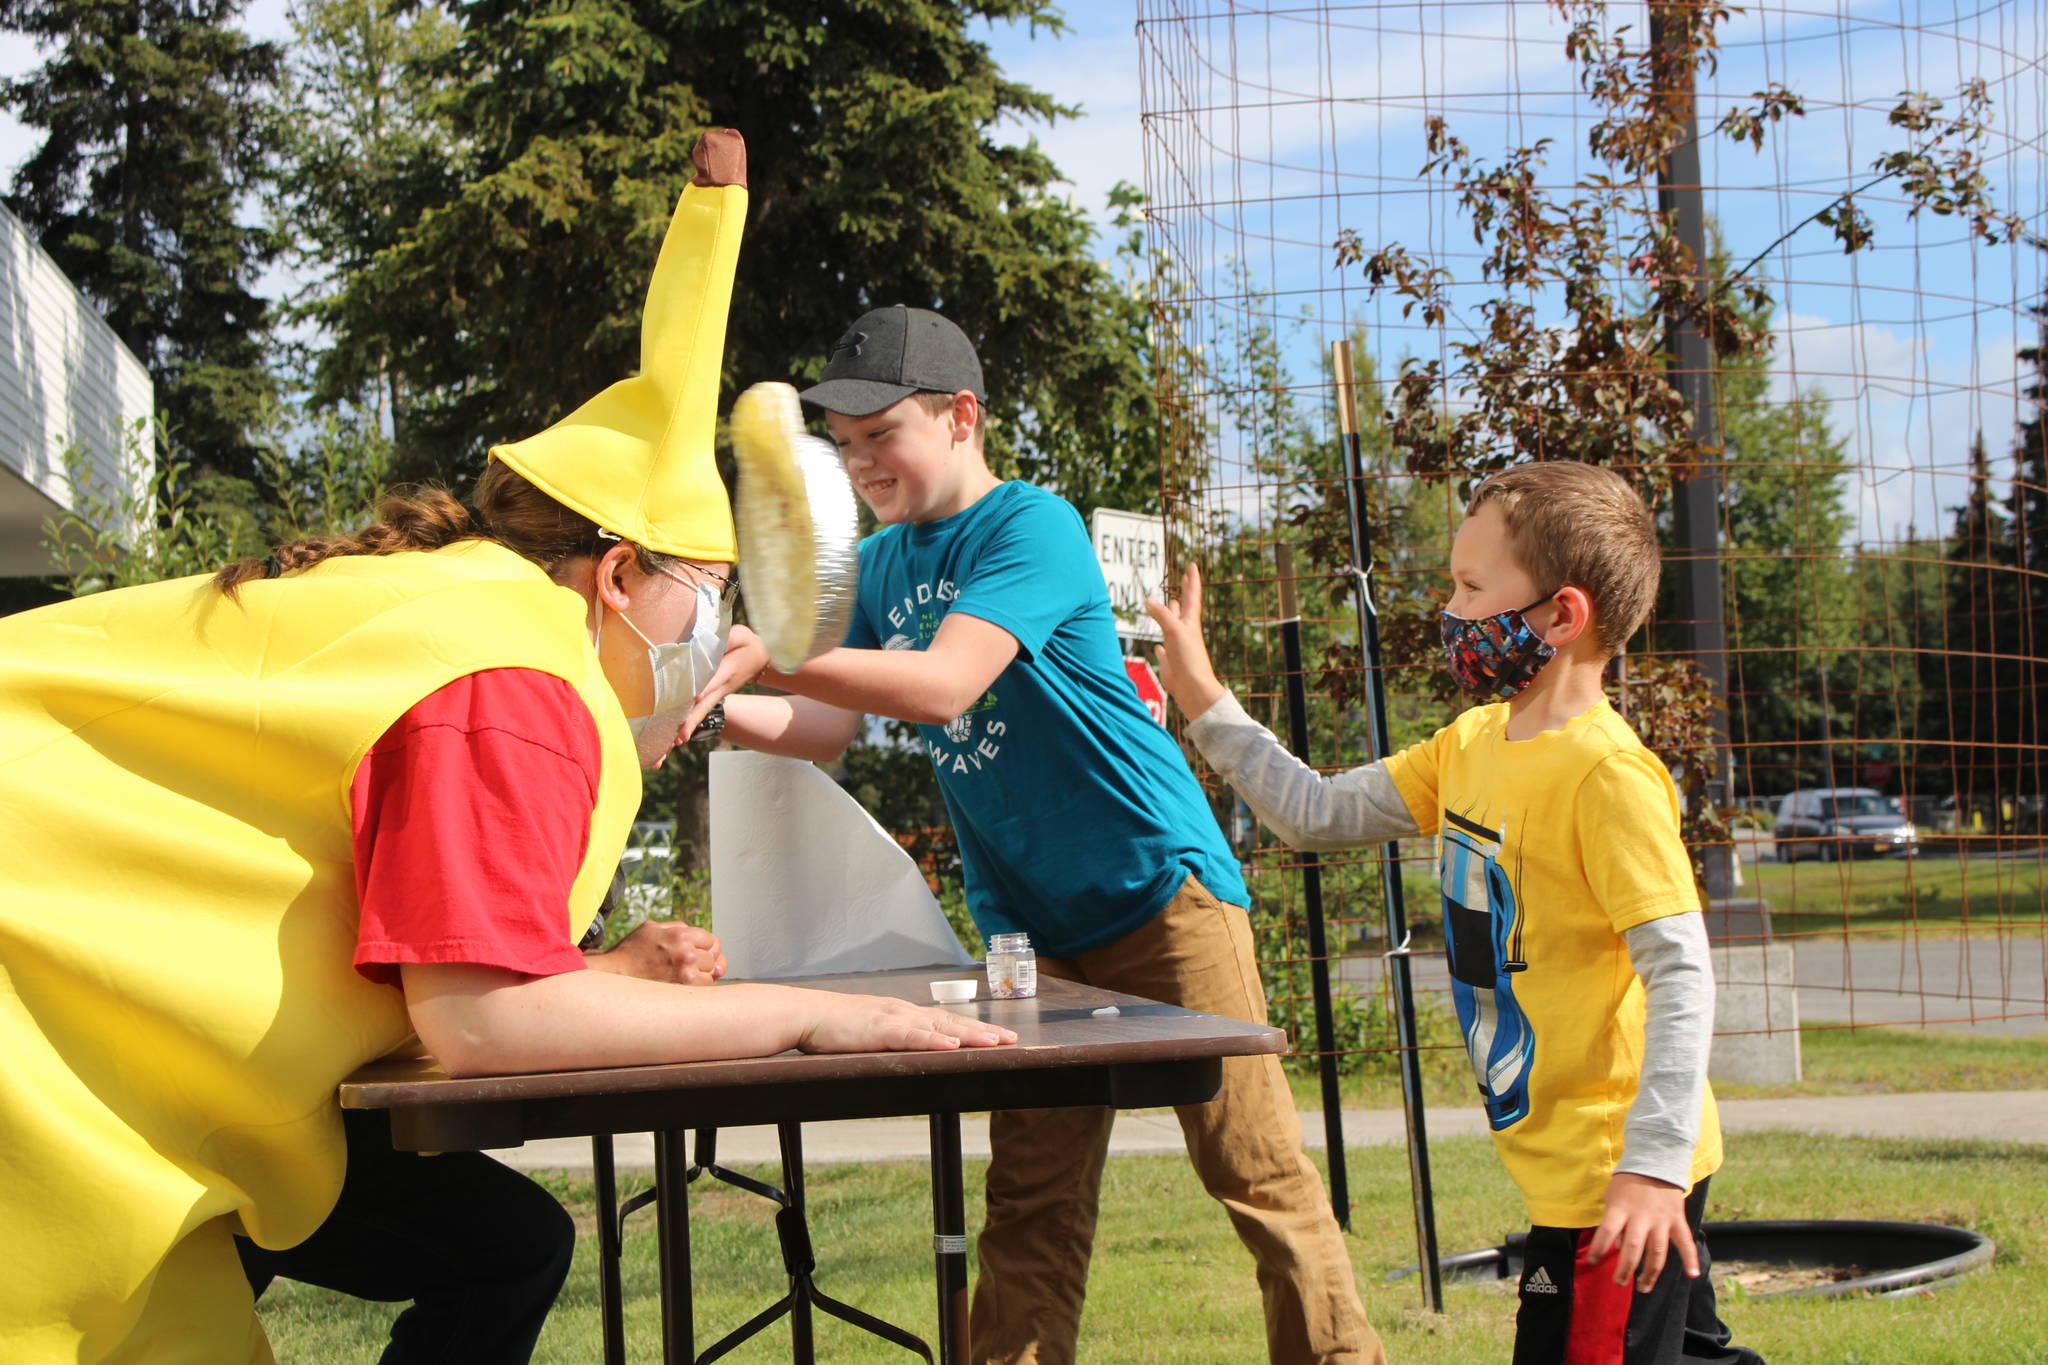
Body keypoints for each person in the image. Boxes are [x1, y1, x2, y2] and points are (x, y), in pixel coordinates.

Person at [0, 130, 1013, 1365]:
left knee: (496, 1242)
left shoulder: (463, 614)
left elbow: (425, 943)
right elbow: (481, 1023)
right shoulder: (512, 677)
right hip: (44, 1057)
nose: (715, 626)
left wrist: (601, 975)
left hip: (93, 1039)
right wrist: (803, 1019)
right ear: (622, 575)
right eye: (705, 588)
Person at [718, 305, 1381, 1365]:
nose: (861, 464)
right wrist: (710, 698)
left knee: (1253, 1174)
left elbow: (940, 687)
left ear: (961, 416)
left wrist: (774, 654)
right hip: (1029, 928)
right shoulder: (883, 568)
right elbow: (825, 727)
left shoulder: (1031, 527)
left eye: (880, 434)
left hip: (1160, 891)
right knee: (1029, 1197)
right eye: (842, 448)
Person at [1145, 460, 1764, 1365]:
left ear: (1562, 614)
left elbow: (1680, 968)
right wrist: (1203, 698)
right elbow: (1315, 810)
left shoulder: (1607, 775)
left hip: (1613, 1177)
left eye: (1472, 587)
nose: (1451, 608)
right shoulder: (1472, 743)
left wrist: (1653, 1164)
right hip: (1575, 1170)